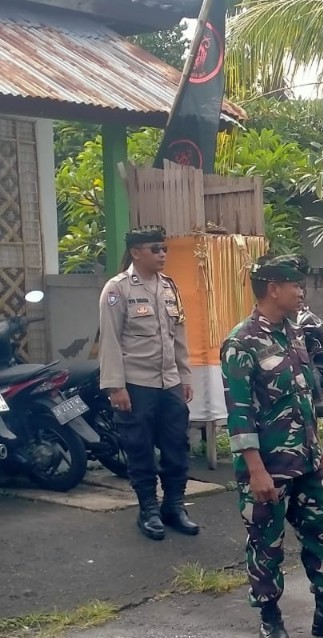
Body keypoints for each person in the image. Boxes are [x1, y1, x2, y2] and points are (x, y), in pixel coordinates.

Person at [221, 255, 323, 638]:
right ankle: (270, 618)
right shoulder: (241, 342)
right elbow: (239, 415)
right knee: (266, 544)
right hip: (267, 467)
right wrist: (255, 470)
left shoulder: (295, 334)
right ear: (273, 288)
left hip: (306, 461)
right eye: (295, 284)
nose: (301, 291)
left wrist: (317, 450)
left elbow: (304, 401)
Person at [98, 226, 197, 541]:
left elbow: (178, 335)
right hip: (136, 383)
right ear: (136, 252)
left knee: (177, 445)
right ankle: (148, 510)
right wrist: (116, 386)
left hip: (169, 382)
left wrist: (184, 376)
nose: (162, 254)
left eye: (164, 249)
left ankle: (174, 506)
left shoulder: (169, 287)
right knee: (139, 449)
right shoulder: (118, 289)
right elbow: (110, 340)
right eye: (155, 249)